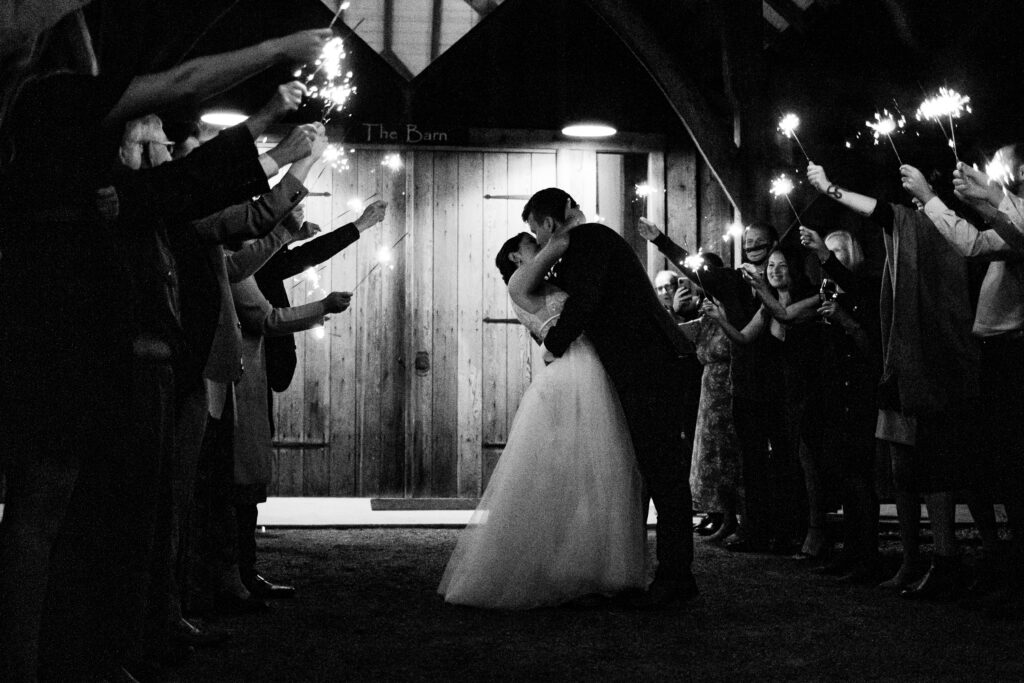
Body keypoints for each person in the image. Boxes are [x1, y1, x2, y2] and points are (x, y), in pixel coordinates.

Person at [439, 218, 647, 609]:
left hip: (584, 365)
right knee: (568, 466)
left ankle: (587, 561)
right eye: (529, 240)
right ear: (517, 255)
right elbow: (560, 243)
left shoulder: (541, 282)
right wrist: (564, 223)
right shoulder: (519, 282)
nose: (538, 242)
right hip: (572, 372)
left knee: (593, 469)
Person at [806, 162, 981, 598]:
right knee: (909, 471)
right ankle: (922, 558)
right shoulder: (922, 228)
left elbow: (884, 212)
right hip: (908, 367)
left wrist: (830, 187)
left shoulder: (950, 228)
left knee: (948, 467)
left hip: (940, 363)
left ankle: (954, 559)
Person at [525, 189, 698, 607]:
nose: (537, 237)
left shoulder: (592, 240)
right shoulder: (583, 248)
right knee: (648, 470)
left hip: (653, 366)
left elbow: (586, 300)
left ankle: (676, 578)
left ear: (550, 221)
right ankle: (640, 570)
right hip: (639, 369)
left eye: (535, 228)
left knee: (663, 472)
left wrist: (555, 345)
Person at [243, 199, 388, 599]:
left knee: (252, 465)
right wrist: (359, 225)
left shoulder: (259, 254)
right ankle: (239, 570)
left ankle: (242, 567)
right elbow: (305, 258)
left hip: (262, 365)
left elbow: (298, 255)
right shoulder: (247, 258)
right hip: (248, 367)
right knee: (245, 469)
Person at [675, 252, 742, 545]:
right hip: (708, 393)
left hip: (731, 388)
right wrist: (673, 311)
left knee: (734, 457)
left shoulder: (736, 309)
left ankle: (745, 521)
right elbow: (675, 335)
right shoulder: (704, 317)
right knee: (713, 458)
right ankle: (726, 519)